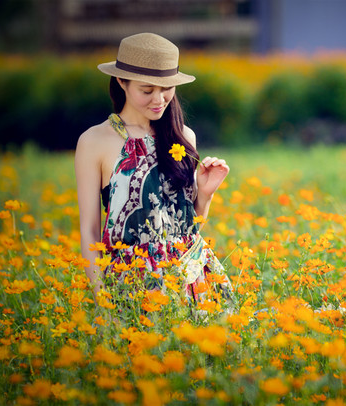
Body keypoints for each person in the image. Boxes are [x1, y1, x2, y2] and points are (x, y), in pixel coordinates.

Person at [75, 33, 233, 315]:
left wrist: (205, 194)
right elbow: (89, 232)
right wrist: (104, 305)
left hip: (193, 278)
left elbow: (189, 228)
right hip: (131, 284)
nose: (159, 100)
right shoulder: (94, 141)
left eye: (167, 88)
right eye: (147, 90)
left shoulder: (183, 136)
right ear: (121, 82)